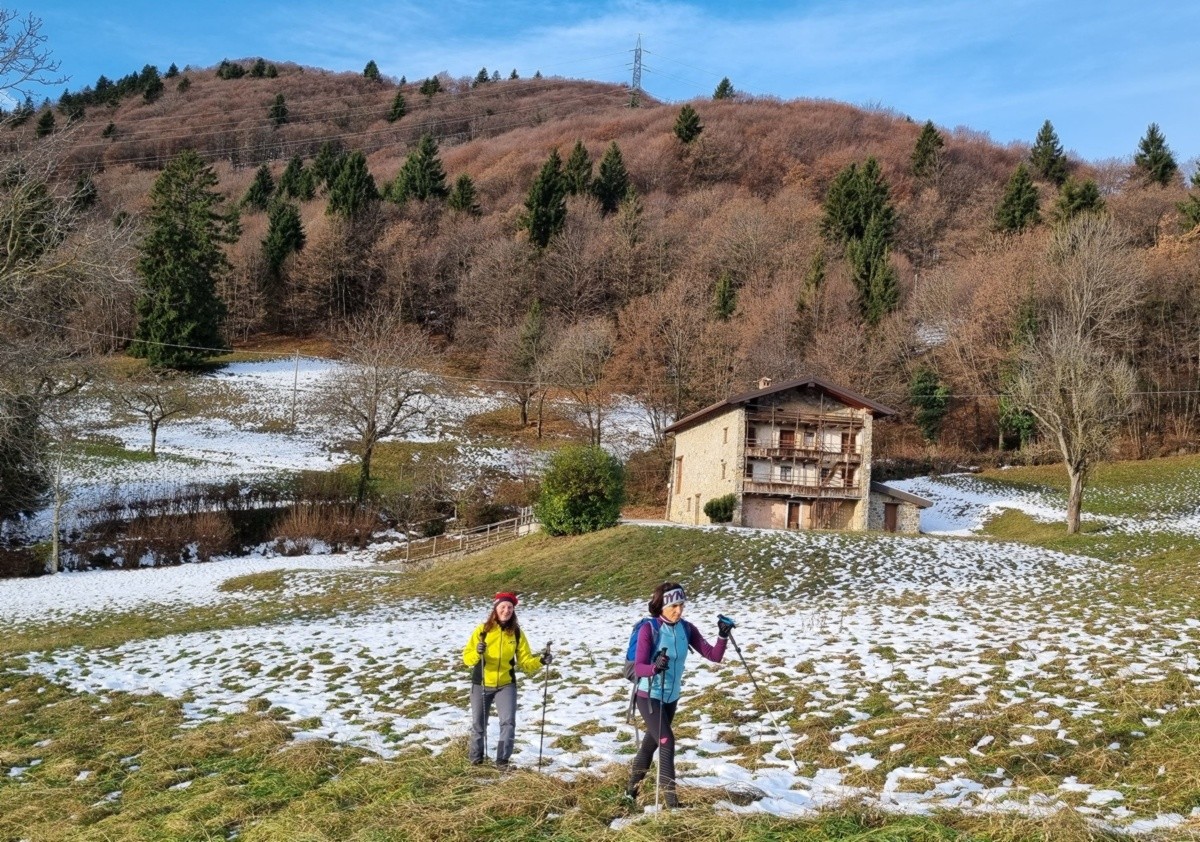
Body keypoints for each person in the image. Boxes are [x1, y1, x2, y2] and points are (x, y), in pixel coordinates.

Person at [627, 582, 733, 808]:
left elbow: (713, 655)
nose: (679, 611)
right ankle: (672, 805)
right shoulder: (649, 629)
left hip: (671, 698)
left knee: (650, 745)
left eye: (681, 605)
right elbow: (638, 668)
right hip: (649, 695)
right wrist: (655, 667)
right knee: (667, 742)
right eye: (674, 606)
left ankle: (630, 792)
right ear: (661, 606)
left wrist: (722, 636)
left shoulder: (687, 629)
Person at [462, 591, 551, 767]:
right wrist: (477, 652)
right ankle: (475, 759)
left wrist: (541, 661)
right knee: (479, 724)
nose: (506, 610)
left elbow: (525, 662)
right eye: (503, 606)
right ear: (496, 609)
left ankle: (502, 761)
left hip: (506, 684)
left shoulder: (516, 633)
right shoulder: (482, 631)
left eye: (510, 607)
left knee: (508, 722)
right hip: (481, 683)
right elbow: (466, 658)